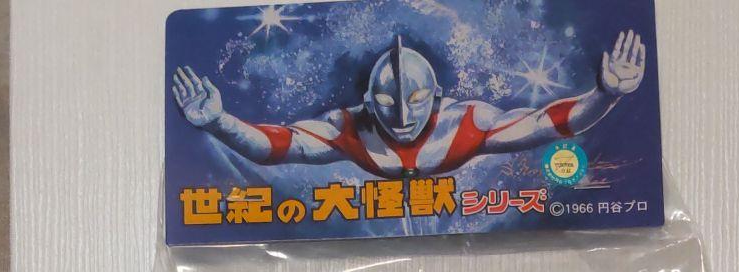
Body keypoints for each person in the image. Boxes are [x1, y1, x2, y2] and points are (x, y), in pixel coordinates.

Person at [173, 31, 646, 178]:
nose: (402, 116)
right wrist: (219, 122)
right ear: (367, 101)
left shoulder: (468, 122)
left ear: (436, 98)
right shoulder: (346, 128)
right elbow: (276, 147)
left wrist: (604, 94)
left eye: (416, 100)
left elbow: (547, 123)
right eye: (387, 101)